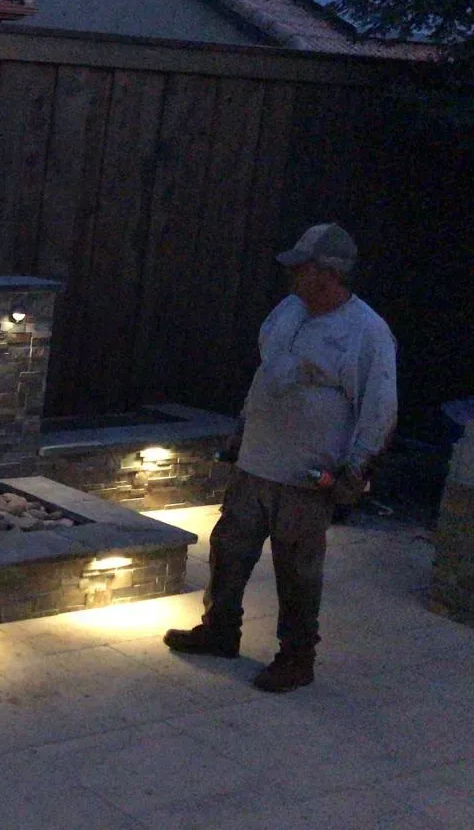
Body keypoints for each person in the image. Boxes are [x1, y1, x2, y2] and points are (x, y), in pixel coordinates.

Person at [163, 222, 397, 692]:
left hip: (306, 477)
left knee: (297, 569)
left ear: (329, 273)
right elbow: (267, 373)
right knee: (229, 550)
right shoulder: (289, 311)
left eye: (302, 268)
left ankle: (296, 657)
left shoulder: (365, 332)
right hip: (256, 463)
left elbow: (379, 406)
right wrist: (243, 430)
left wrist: (353, 471)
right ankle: (220, 630)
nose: (293, 277)